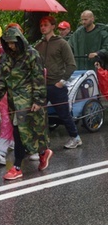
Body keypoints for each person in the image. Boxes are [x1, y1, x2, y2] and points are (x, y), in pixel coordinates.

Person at [0, 27, 53, 180]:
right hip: (13, 101)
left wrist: (38, 100)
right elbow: (2, 80)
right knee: (22, 131)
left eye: (13, 43)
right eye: (8, 43)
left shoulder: (32, 55)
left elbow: (38, 79)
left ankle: (17, 166)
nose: (11, 46)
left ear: (19, 41)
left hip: (28, 100)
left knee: (24, 131)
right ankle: (43, 152)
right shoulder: (5, 58)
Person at [35, 16, 81, 149]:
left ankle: (75, 137)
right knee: (39, 115)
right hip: (42, 86)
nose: (43, 27)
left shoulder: (62, 43)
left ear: (53, 26)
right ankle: (42, 142)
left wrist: (61, 82)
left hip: (56, 85)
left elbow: (71, 65)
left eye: (46, 25)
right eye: (41, 25)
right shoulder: (39, 45)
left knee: (64, 114)